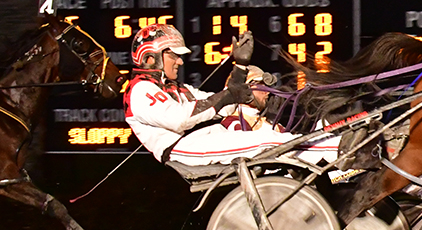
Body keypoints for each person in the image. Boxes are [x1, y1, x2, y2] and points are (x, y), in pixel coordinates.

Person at [123, 24, 339, 166]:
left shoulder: (180, 89)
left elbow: (225, 105)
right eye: (174, 56)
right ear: (150, 58)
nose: (180, 61)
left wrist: (240, 67)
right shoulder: (140, 90)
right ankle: (341, 151)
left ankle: (332, 149)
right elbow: (179, 119)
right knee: (268, 143)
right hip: (184, 148)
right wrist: (227, 96)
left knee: (278, 138)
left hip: (205, 137)